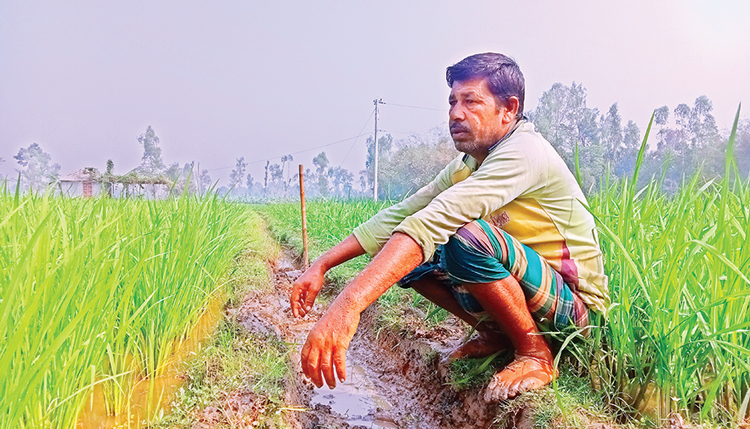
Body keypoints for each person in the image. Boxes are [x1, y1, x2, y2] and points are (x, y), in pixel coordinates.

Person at [290, 52, 608, 402]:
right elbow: (404, 214)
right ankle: (496, 333)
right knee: (407, 258)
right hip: (531, 292)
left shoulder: (525, 152)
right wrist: (322, 264)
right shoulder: (469, 164)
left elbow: (435, 220)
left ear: (509, 108)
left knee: (463, 238)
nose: (456, 113)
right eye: (452, 102)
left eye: (471, 101)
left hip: (577, 313)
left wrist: (348, 305)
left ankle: (535, 353)